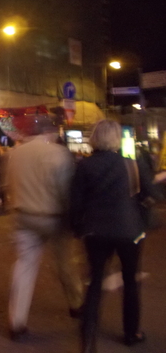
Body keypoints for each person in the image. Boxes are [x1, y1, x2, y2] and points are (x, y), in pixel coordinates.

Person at [71, 120, 154, 351]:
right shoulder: (132, 165)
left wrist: (77, 228)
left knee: (95, 282)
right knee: (130, 282)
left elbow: (76, 203)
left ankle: (88, 340)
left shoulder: (85, 166)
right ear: (117, 139)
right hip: (129, 231)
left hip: (96, 231)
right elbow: (149, 193)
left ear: (95, 138)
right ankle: (131, 333)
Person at [6, 119, 83, 341]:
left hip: (23, 216)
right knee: (64, 263)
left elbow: (8, 184)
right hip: (53, 217)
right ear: (49, 133)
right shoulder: (59, 154)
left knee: (24, 266)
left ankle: (17, 322)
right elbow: (65, 189)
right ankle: (76, 304)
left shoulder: (16, 154)